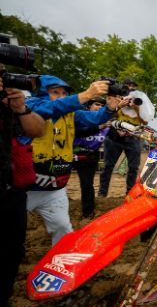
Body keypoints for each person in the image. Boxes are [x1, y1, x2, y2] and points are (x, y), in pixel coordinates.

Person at [24, 76, 117, 246]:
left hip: (54, 189)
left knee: (63, 230)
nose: (61, 96)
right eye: (55, 92)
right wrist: (88, 94)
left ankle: (60, 266)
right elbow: (50, 108)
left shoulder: (71, 114)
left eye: (64, 93)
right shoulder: (30, 107)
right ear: (42, 93)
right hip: (24, 189)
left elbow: (94, 118)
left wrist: (109, 109)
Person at [0, 82, 45, 307]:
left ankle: (3, 302)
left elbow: (38, 130)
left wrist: (19, 107)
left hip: (11, 187)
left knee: (12, 248)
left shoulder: (8, 105)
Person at [98, 78, 155, 197]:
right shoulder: (114, 99)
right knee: (108, 166)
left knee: (133, 168)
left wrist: (137, 109)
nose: (131, 88)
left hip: (133, 137)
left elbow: (145, 122)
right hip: (114, 136)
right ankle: (102, 194)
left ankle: (129, 194)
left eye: (133, 86)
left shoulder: (140, 103)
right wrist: (119, 106)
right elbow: (106, 115)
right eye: (128, 85)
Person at [72, 96, 111, 220]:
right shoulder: (79, 117)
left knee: (87, 184)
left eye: (102, 106)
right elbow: (79, 132)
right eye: (97, 105)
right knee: (59, 183)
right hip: (68, 154)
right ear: (89, 106)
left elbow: (117, 137)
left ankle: (88, 213)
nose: (99, 108)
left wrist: (124, 133)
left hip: (89, 157)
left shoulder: (108, 123)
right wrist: (100, 127)